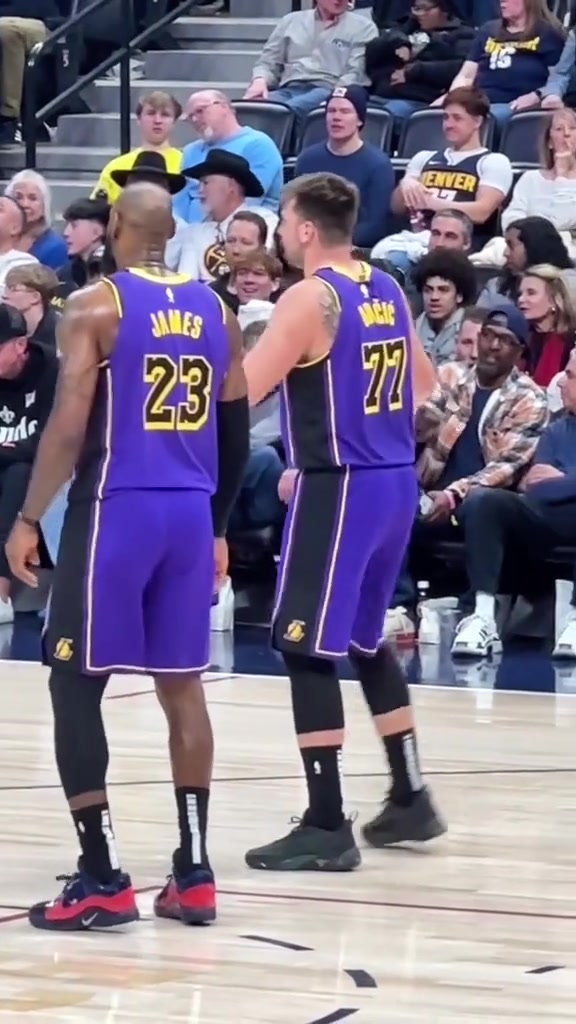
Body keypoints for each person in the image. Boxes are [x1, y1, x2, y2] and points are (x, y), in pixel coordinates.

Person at [5, 182, 250, 930]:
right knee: (183, 686)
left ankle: (103, 875)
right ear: (169, 231)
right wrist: (217, 525)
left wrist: (27, 517)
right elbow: (235, 430)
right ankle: (195, 874)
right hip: (190, 512)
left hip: (118, 508)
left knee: (74, 681)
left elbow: (68, 426)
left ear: (113, 225)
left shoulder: (96, 306)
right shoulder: (218, 310)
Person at [241, 172, 444, 872]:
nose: (278, 233)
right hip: (391, 482)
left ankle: (326, 823)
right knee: (362, 638)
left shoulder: (308, 297)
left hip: (341, 486)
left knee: (302, 644)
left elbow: (248, 388)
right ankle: (410, 794)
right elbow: (424, 386)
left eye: (282, 222)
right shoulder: (384, 284)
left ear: (303, 228)